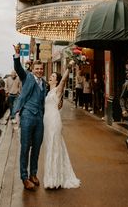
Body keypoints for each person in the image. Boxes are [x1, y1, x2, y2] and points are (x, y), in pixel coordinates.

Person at [13, 44, 46, 190]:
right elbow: (18, 68)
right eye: (37, 69)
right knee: (25, 147)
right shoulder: (27, 77)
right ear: (33, 69)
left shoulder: (44, 83)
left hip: (39, 118)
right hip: (27, 116)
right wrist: (17, 55)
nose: (39, 71)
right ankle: (24, 177)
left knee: (37, 148)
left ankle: (33, 174)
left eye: (41, 69)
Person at [43, 60, 81, 189]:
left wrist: (69, 67)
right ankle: (52, 176)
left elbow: (64, 80)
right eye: (51, 75)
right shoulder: (49, 92)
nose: (51, 77)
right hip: (47, 122)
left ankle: (55, 179)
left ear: (57, 81)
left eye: (53, 76)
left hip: (54, 121)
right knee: (51, 147)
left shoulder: (58, 91)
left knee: (55, 147)